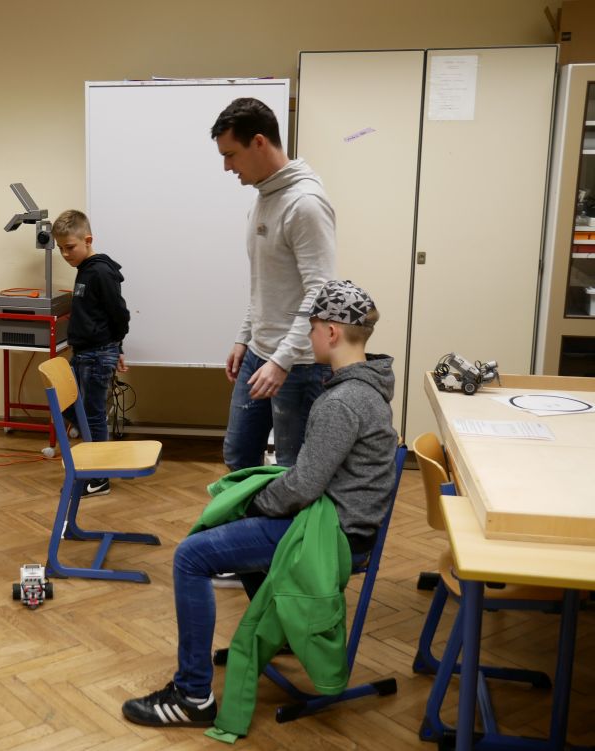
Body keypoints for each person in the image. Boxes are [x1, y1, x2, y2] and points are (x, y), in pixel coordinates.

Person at [121, 279, 398, 729]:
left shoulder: (343, 400)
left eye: (311, 328)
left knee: (191, 556)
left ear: (331, 332)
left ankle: (192, 696)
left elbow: (303, 485)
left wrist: (256, 505)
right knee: (232, 531)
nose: (308, 337)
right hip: (342, 525)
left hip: (332, 538)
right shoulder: (368, 386)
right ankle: (281, 632)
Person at [212, 97, 336, 472]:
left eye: (231, 155)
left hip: (298, 364)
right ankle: (248, 516)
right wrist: (244, 337)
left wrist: (281, 361)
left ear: (259, 142)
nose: (226, 166)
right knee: (239, 457)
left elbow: (320, 293)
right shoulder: (263, 200)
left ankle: (283, 517)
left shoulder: (305, 203)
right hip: (259, 352)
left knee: (291, 469)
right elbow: (264, 283)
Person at [52, 209, 130, 497]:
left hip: (97, 354)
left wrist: (116, 346)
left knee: (92, 415)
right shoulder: (85, 269)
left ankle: (99, 478)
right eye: (60, 248)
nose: (65, 254)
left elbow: (119, 314)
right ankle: (96, 464)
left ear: (88, 240)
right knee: (69, 406)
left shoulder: (100, 272)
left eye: (70, 247)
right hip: (85, 353)